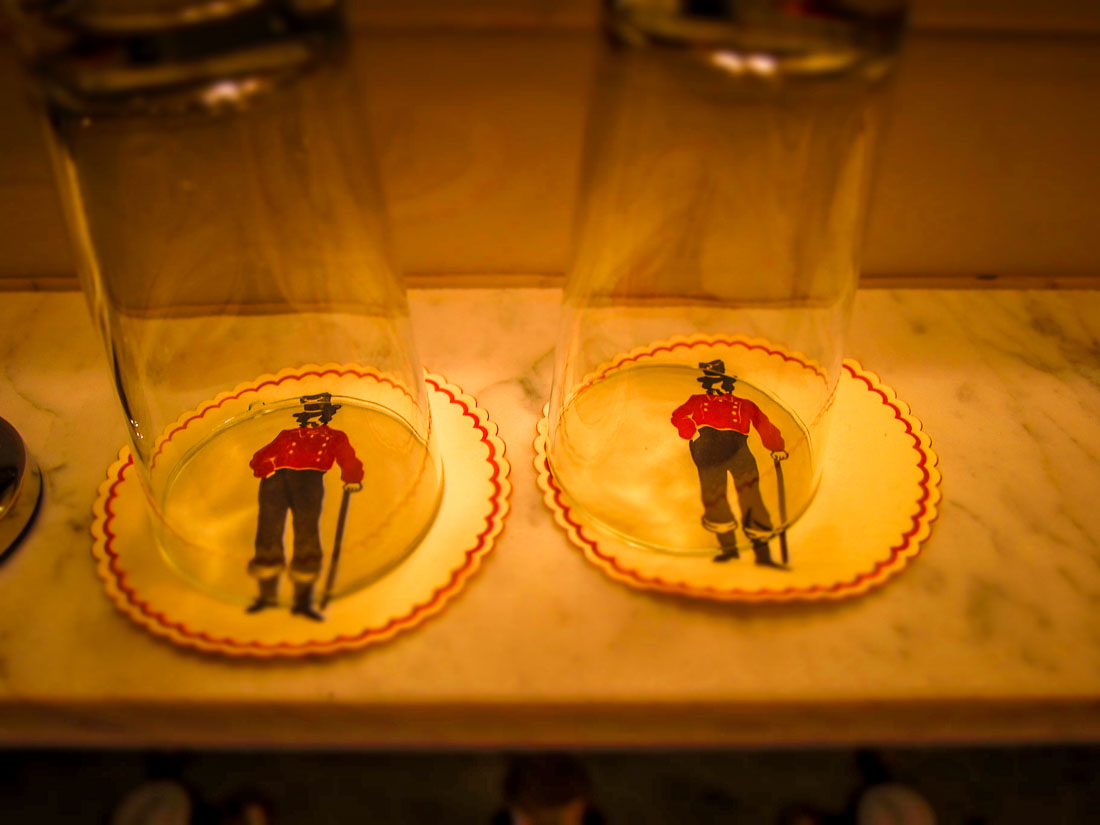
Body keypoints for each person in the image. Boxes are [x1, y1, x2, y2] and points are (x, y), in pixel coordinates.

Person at [247, 393, 363, 620]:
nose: (313, 420)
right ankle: (266, 595)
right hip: (276, 482)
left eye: (318, 415)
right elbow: (261, 455)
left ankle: (302, 600)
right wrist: (265, 467)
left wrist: (352, 477)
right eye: (310, 415)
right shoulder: (288, 435)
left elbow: (347, 458)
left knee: (306, 532)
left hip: (309, 482)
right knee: (268, 530)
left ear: (326, 416)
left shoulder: (334, 437)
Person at [670, 360, 788, 566]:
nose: (716, 384)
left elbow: (763, 424)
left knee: (751, 494)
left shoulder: (744, 404)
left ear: (727, 382)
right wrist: (692, 433)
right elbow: (678, 416)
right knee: (714, 497)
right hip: (708, 450)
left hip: (739, 450)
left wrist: (776, 446)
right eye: (711, 380)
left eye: (719, 380)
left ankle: (763, 554)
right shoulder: (698, 400)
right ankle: (729, 550)